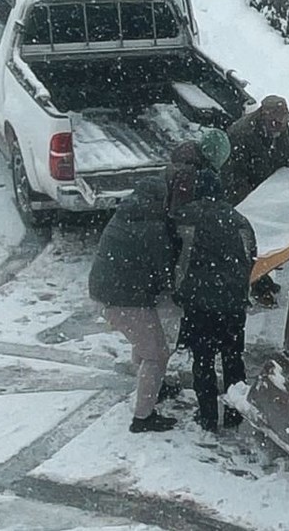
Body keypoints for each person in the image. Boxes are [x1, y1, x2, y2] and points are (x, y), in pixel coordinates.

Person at [167, 139, 257, 432]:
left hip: (199, 302)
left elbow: (174, 254)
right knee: (233, 359)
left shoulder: (184, 216)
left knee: (203, 361)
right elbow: (250, 256)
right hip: (233, 303)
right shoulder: (240, 220)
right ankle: (234, 413)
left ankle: (207, 416)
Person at [88, 176, 178, 433]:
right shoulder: (152, 227)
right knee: (156, 353)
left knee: (146, 342)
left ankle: (152, 384)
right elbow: (165, 273)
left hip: (106, 291)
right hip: (125, 300)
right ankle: (143, 418)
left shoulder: (124, 215)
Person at [219, 95, 289, 305]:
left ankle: (262, 277)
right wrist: (256, 201)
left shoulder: (279, 128)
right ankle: (253, 283)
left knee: (269, 237)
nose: (280, 126)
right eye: (276, 122)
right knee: (248, 240)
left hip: (267, 187)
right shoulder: (241, 134)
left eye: (283, 122)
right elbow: (233, 178)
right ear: (264, 115)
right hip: (243, 193)